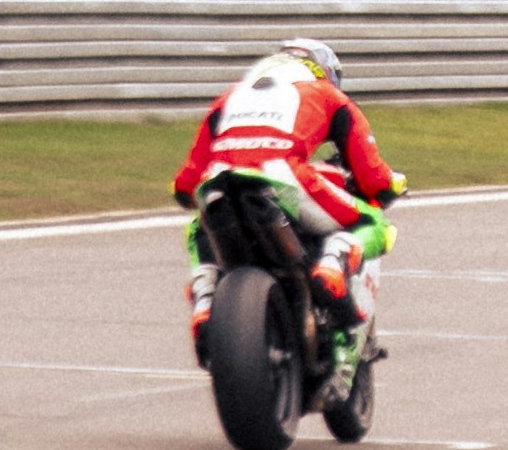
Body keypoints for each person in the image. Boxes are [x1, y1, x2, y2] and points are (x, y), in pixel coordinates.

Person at [172, 33, 402, 354]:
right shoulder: (329, 96)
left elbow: (184, 184)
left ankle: (205, 298)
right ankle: (333, 264)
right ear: (325, 71)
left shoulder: (230, 96)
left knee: (199, 228)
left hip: (219, 182)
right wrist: (394, 185)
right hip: (285, 182)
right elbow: (373, 178)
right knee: (372, 221)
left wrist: (190, 190)